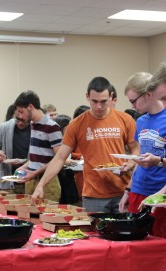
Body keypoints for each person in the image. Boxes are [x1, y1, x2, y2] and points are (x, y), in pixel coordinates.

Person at [31, 77, 139, 213]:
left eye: (103, 101)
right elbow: (60, 158)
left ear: (111, 97)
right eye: (94, 101)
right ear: (87, 97)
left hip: (123, 191)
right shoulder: (77, 124)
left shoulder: (125, 119)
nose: (99, 106)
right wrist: (41, 185)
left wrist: (130, 162)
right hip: (93, 195)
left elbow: (136, 149)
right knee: (94, 233)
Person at [119, 67, 166, 237]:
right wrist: (128, 190)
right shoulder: (141, 121)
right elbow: (139, 160)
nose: (132, 105)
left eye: (133, 101)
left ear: (148, 94)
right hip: (139, 189)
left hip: (159, 191)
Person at [13, 91, 62, 202]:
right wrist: (25, 166)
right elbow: (37, 157)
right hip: (31, 181)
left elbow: (59, 159)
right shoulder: (33, 125)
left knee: (46, 217)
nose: (20, 116)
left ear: (30, 107)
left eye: (21, 112)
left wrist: (34, 172)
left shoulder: (52, 127)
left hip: (47, 182)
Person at [0, 105, 31, 193]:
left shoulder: (37, 129)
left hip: (30, 183)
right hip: (9, 183)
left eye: (23, 121)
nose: (20, 123)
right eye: (17, 119)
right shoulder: (4, 127)